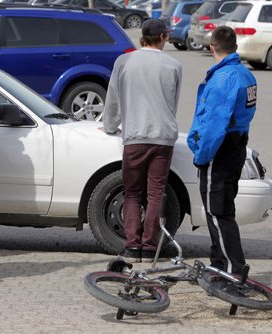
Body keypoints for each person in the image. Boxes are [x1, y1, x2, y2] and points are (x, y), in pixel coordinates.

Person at [102, 19, 182, 262]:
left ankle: (132, 246)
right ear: (162, 38)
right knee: (156, 193)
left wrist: (110, 125)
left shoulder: (124, 61)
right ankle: (149, 247)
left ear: (142, 38)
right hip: (163, 136)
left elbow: (113, 99)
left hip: (135, 135)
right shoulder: (174, 65)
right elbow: (173, 104)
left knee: (133, 192)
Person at [187, 26, 257, 275]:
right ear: (235, 47)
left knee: (217, 213)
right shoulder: (246, 75)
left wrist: (202, 156)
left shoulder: (222, 79)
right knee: (224, 211)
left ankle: (231, 269)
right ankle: (219, 264)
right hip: (236, 148)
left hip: (219, 151)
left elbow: (215, 126)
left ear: (212, 47)